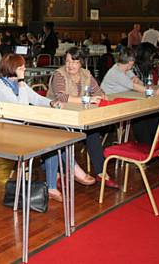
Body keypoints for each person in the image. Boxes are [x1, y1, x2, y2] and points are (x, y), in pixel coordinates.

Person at [0, 54, 68, 201]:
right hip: (5, 132)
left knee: (55, 137)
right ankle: (60, 173)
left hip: (20, 128)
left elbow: (36, 98)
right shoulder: (0, 85)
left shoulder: (19, 85)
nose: (24, 69)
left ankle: (54, 178)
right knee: (51, 139)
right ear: (12, 69)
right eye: (21, 67)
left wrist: (51, 103)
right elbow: (22, 106)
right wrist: (21, 81)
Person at [47, 47, 118, 190]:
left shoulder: (86, 74)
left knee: (93, 133)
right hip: (57, 118)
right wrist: (87, 99)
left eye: (74, 62)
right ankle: (59, 171)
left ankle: (101, 172)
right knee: (68, 135)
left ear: (81, 63)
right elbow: (61, 96)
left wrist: (101, 96)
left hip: (78, 117)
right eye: (67, 61)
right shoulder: (59, 75)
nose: (70, 65)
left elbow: (97, 91)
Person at [101, 48, 159, 144]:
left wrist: (138, 81)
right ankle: (146, 145)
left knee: (152, 114)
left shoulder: (123, 68)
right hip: (111, 105)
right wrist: (154, 92)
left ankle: (154, 142)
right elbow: (135, 86)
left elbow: (137, 81)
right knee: (141, 117)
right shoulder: (116, 73)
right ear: (130, 62)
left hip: (123, 99)